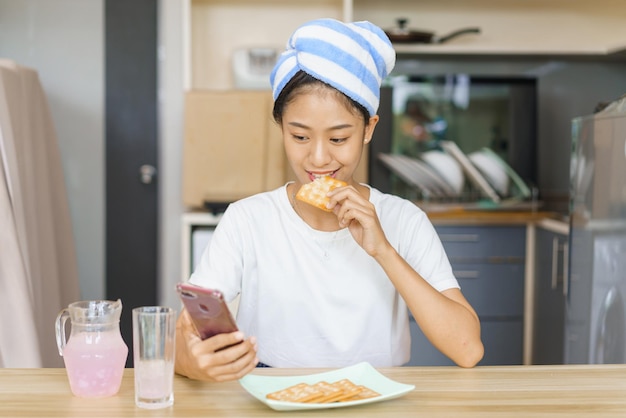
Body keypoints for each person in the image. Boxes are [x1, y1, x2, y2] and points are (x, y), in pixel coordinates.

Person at [175, 18, 483, 382]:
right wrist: (192, 362)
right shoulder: (247, 220)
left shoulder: (403, 219)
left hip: (377, 396)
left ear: (368, 128)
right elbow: (185, 335)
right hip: (271, 394)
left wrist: (383, 250)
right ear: (282, 129)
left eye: (338, 139)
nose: (319, 159)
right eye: (300, 137)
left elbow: (467, 350)